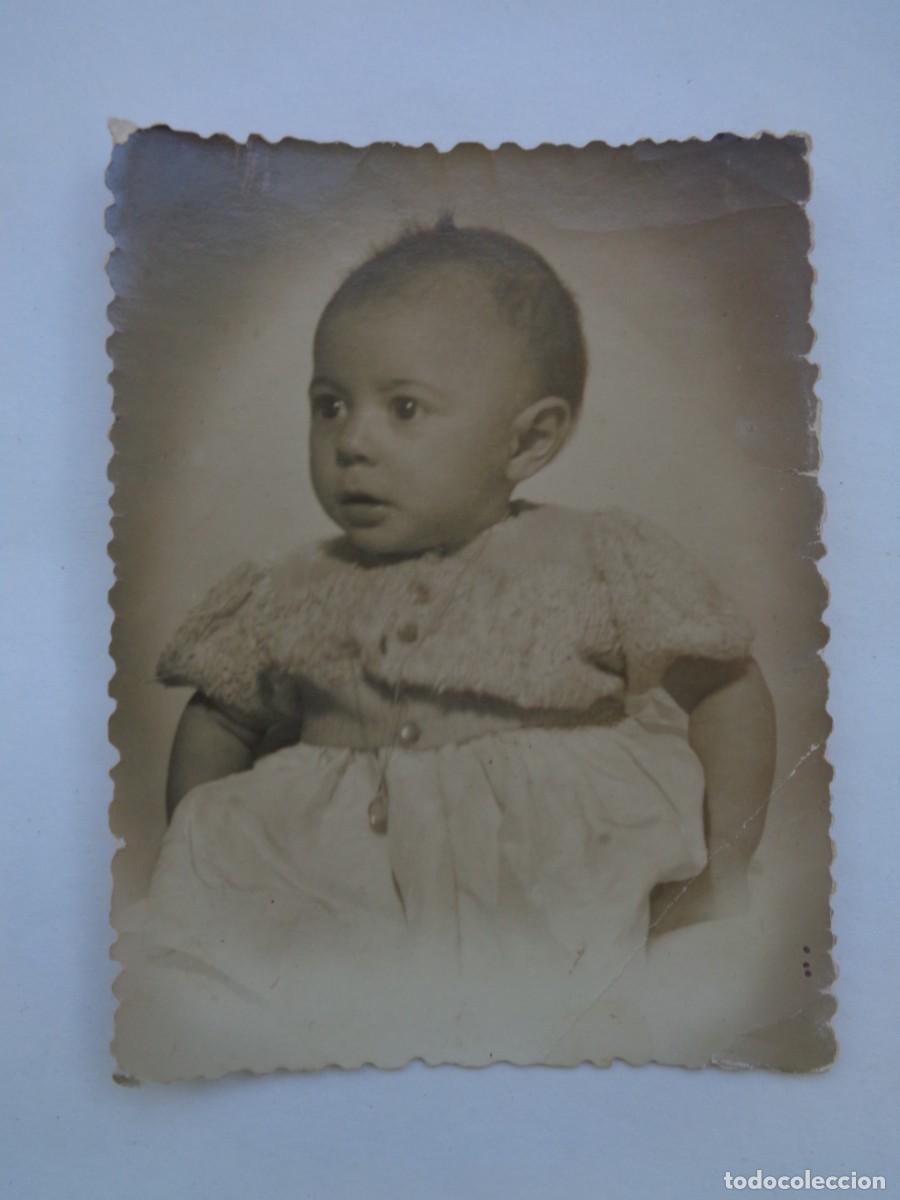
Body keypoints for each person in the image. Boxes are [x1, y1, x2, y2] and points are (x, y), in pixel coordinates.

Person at [114, 219, 776, 1080]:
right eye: (330, 405)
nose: (352, 441)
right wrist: (195, 858)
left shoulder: (594, 559)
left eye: (405, 408)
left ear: (529, 440)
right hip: (332, 882)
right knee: (267, 1025)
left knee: (570, 1040)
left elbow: (726, 686)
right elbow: (223, 716)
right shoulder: (289, 587)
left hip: (542, 880)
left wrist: (722, 863)